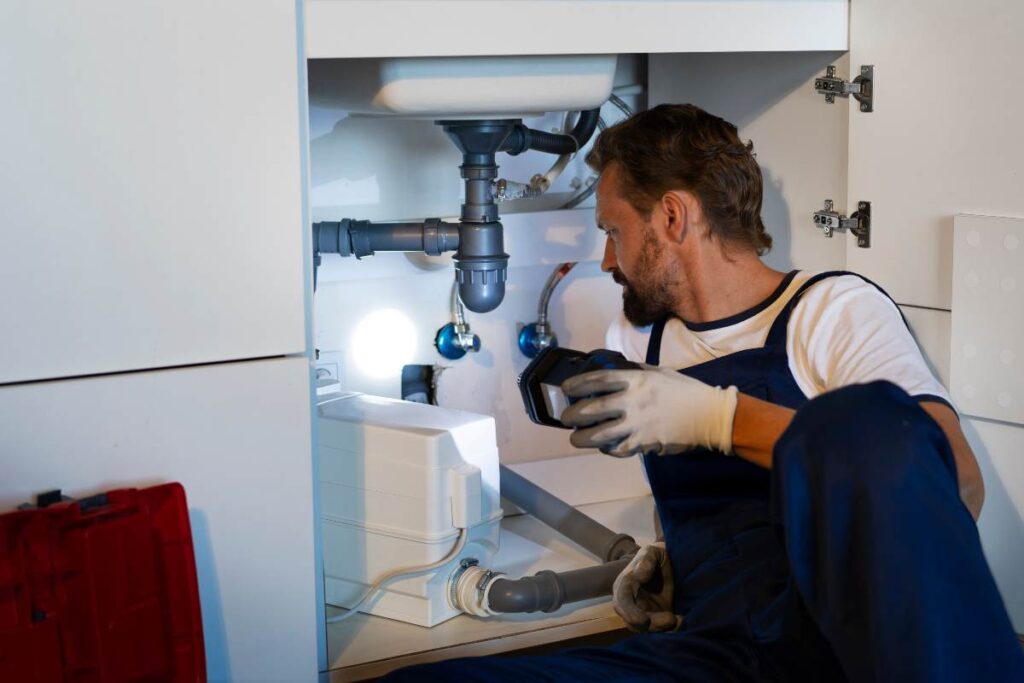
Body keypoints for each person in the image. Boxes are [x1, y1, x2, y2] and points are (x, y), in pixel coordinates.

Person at [384, 104, 1024, 681]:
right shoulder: (642, 339)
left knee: (861, 421)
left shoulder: (829, 309)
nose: (609, 261)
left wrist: (720, 418)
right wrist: (673, 559)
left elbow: (953, 480)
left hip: (855, 654)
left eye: (613, 231)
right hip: (721, 655)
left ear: (671, 216)